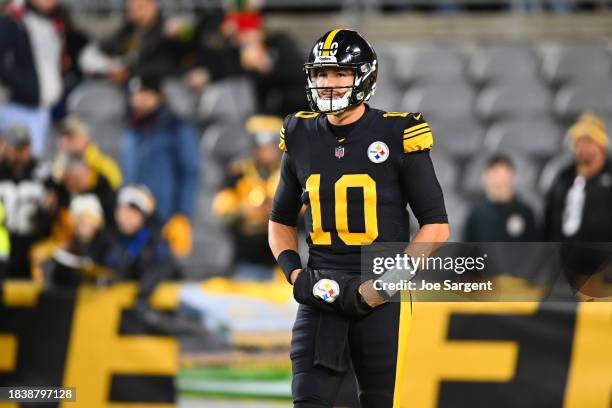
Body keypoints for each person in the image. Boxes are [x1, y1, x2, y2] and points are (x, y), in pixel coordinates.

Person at [268, 29, 449, 407]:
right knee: (309, 399)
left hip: (381, 297)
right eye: (320, 74)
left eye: (339, 73)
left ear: (364, 77)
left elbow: (435, 226)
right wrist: (295, 274)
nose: (328, 83)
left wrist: (384, 287)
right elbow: (280, 221)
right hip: (321, 291)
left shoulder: (397, 132)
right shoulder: (299, 133)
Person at [120, 76, 200, 257]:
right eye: (134, 94)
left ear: (158, 96)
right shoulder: (130, 130)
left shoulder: (177, 128)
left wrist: (182, 214)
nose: (137, 99)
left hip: (164, 216)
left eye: (143, 93)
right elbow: (127, 172)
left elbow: (189, 172)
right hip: (135, 216)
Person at [212, 115, 282, 280]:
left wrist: (278, 212)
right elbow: (222, 213)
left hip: (282, 260)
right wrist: (241, 212)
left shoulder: (290, 174)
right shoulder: (237, 174)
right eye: (260, 147)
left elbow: (308, 216)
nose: (264, 152)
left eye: (269, 147)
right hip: (245, 257)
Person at [0, 0, 64, 156]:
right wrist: (21, 86)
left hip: (44, 108)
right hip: (18, 107)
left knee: (38, 162)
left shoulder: (52, 23)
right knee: (19, 161)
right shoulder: (14, 21)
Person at [102, 184, 179, 307]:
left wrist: (141, 294)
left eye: (134, 213)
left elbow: (165, 266)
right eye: (125, 210)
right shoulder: (107, 236)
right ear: (117, 212)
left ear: (143, 218)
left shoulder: (153, 241)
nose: (128, 217)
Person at [543, 112, 612, 242]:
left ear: (601, 145)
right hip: (565, 256)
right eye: (579, 141)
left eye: (589, 141)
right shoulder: (563, 177)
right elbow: (550, 221)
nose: (583, 147)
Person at [79, 0, 179, 83]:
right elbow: (106, 46)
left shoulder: (168, 32)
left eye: (141, 7)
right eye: (132, 9)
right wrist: (106, 65)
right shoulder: (128, 30)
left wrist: (129, 72)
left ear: (154, 6)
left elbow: (165, 64)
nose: (136, 13)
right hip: (126, 84)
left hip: (156, 87)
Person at [0, 125, 47, 278]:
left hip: (31, 244)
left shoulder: (41, 173)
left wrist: (46, 212)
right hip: (4, 244)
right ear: (5, 147)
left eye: (25, 149)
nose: (21, 155)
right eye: (16, 149)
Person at [463, 154, 538, 241]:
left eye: (502, 176)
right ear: (484, 179)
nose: (498, 181)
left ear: (512, 177)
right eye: (493, 176)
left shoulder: (525, 212)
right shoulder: (476, 212)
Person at [57, 115, 122, 189]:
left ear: (84, 137)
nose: (65, 141)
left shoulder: (99, 161)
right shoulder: (63, 159)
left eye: (71, 136)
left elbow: (115, 181)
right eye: (64, 137)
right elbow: (57, 178)